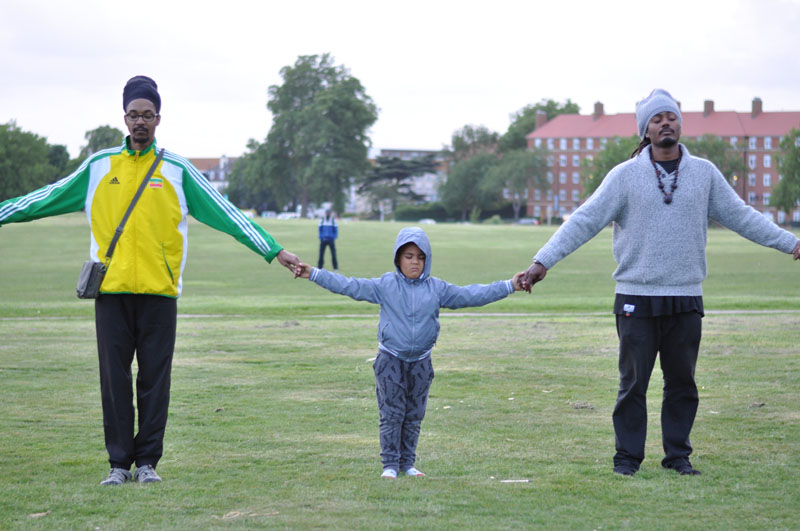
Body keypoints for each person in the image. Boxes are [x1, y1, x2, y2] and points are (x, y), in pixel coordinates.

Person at [0, 75, 302, 486]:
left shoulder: (177, 170)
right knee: (115, 381)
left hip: (160, 294)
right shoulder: (99, 166)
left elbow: (227, 213)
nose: (140, 121)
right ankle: (118, 465)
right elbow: (42, 199)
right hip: (111, 293)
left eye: (147, 114)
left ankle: (147, 464)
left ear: (158, 119)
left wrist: (274, 250)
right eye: (133, 114)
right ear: (124, 118)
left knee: (155, 380)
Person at [521, 89, 800, 477]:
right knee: (633, 385)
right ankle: (627, 460)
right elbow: (584, 220)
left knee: (682, 384)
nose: (665, 123)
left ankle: (678, 457)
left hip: (685, 296)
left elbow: (742, 216)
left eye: (670, 116)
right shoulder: (624, 176)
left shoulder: (704, 174)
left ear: (680, 124)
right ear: (645, 130)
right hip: (636, 296)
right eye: (656, 119)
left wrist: (792, 243)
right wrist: (541, 262)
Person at [295, 227, 525, 478]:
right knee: (392, 414)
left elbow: (473, 294)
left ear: (427, 259)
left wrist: (510, 285)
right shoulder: (385, 285)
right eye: (408, 256)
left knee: (414, 415)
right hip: (390, 359)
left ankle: (408, 464)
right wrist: (314, 273)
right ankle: (390, 466)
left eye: (420, 257)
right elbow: (348, 285)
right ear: (397, 258)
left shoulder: (437, 289)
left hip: (421, 362)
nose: (415, 262)